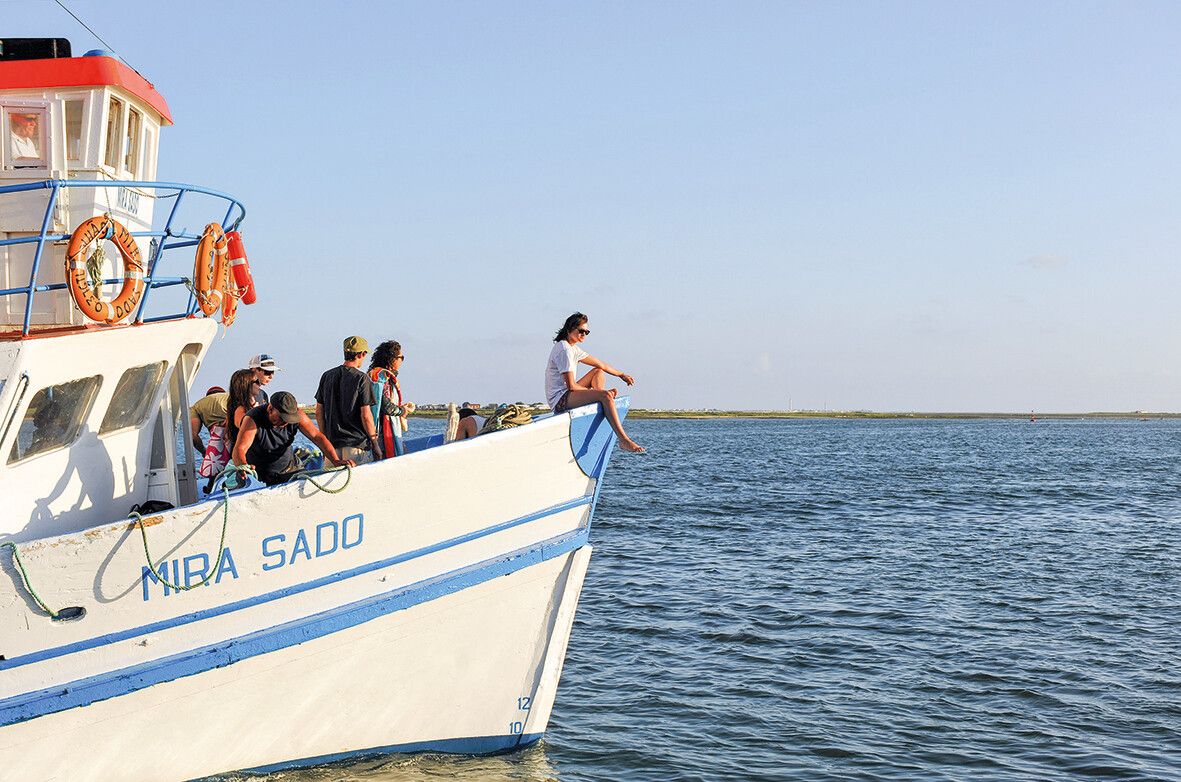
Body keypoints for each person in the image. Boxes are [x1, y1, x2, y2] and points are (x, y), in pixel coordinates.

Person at [545, 312, 644, 453]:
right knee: (604, 395)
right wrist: (599, 393)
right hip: (559, 400)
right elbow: (571, 386)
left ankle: (603, 403)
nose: (584, 334)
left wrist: (621, 374)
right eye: (581, 331)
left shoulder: (573, 348)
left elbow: (600, 364)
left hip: (567, 394)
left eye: (587, 332)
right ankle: (624, 440)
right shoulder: (565, 350)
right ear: (569, 330)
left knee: (598, 371)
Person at [231, 391, 353, 486]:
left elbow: (317, 437)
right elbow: (240, 449)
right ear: (270, 409)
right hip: (258, 474)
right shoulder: (252, 419)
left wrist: (336, 461)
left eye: (289, 419)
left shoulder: (298, 415)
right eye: (282, 418)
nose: (285, 423)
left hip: (289, 469)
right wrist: (243, 466)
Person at [316, 336, 380, 465]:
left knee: (334, 485)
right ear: (362, 354)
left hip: (332, 448)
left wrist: (324, 443)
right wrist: (375, 444)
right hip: (356, 445)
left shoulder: (327, 376)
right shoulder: (362, 378)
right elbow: (366, 416)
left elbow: (319, 413)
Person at [367, 340, 416, 459]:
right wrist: (402, 411)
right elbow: (384, 404)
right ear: (392, 358)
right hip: (380, 432)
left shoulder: (380, 375)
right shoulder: (380, 377)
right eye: (401, 357)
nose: (401, 361)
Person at [189, 385, 227, 455]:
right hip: (238, 434)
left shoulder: (197, 406)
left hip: (217, 442)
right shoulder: (230, 396)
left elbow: (193, 436)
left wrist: (204, 452)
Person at [224, 369, 256, 450]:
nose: (260, 385)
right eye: (257, 382)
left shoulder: (238, 406)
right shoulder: (240, 409)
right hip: (245, 455)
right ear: (247, 385)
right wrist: (256, 412)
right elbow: (245, 427)